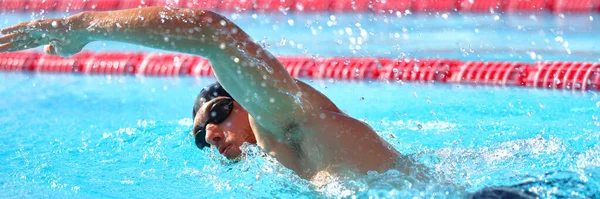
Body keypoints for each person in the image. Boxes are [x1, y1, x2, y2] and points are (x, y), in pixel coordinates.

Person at [0, 7, 538, 197]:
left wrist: (82, 26)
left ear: (242, 99)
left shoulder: (284, 120)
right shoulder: (287, 161)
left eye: (214, 112)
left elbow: (212, 33)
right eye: (198, 134)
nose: (210, 134)